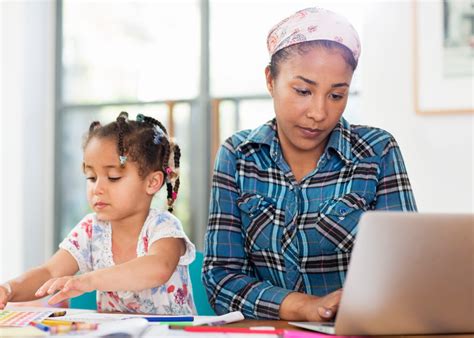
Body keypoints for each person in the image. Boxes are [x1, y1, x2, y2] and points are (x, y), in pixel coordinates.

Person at [203, 7, 417, 321]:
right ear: (270, 80)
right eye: (303, 91)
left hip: (356, 328)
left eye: (336, 95)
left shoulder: (377, 151)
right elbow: (220, 279)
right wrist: (303, 307)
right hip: (268, 330)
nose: (318, 112)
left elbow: (407, 267)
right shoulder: (239, 155)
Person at [0, 112, 196, 314]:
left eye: (113, 177)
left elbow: (158, 267)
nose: (97, 188)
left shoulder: (164, 227)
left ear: (152, 182)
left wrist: (88, 280)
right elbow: (49, 271)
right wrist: (9, 289)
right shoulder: (91, 230)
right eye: (91, 178)